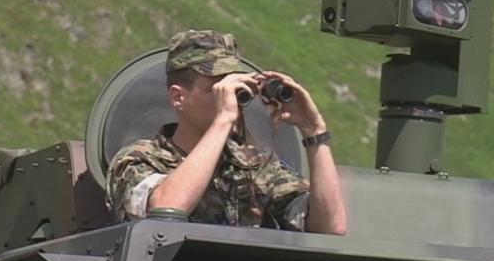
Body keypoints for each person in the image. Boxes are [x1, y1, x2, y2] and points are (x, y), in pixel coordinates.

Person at [105, 29, 347, 235]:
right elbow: (166, 210)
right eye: (217, 89)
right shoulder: (137, 160)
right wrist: (223, 120)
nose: (230, 97)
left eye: (235, 85)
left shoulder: (253, 167)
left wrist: (314, 131)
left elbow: (330, 227)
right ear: (179, 97)